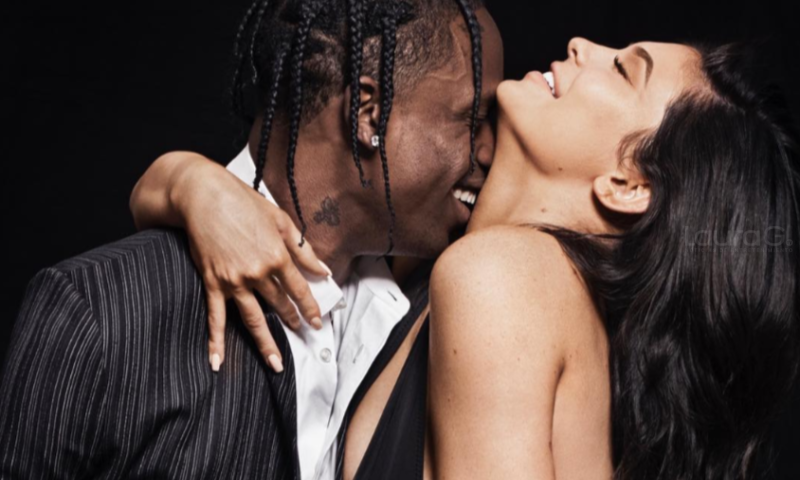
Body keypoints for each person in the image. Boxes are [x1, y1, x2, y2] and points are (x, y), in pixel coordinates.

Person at [138, 37, 800, 480]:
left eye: (624, 70)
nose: (582, 46)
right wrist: (188, 181)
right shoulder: (465, 274)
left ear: (627, 184)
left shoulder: (504, 279)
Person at [0, 0, 502, 478]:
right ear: (367, 114)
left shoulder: (440, 317)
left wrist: (181, 177)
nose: (489, 151)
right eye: (474, 120)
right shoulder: (101, 310)